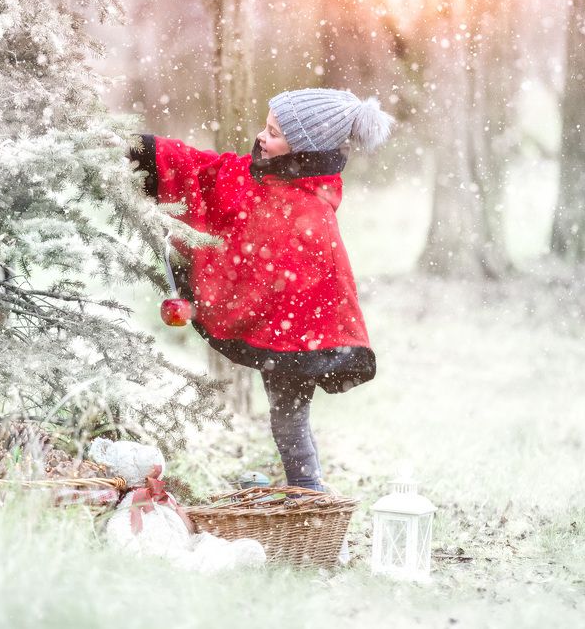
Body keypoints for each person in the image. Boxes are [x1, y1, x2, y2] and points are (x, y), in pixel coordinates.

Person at [127, 88, 395, 492]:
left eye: (273, 132)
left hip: (298, 340)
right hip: (284, 332)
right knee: (285, 419)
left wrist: (226, 307)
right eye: (265, 126)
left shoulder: (310, 210)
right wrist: (147, 151)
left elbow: (305, 281)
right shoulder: (259, 178)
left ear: (302, 147)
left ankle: (309, 499)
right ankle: (305, 497)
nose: (261, 137)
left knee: (289, 418)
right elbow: (205, 171)